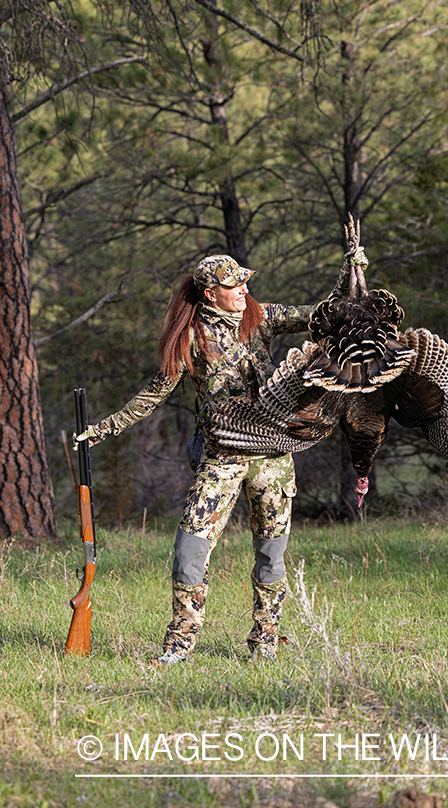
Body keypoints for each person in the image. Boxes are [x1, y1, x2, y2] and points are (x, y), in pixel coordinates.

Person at [77, 248, 366, 665]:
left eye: (245, 281)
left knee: (271, 554)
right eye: (235, 285)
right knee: (189, 550)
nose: (244, 289)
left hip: (273, 453)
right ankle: (180, 646)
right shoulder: (191, 336)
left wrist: (349, 273)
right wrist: (106, 428)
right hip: (222, 456)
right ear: (211, 294)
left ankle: (265, 643)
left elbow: (323, 315)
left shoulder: (261, 315)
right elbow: (157, 391)